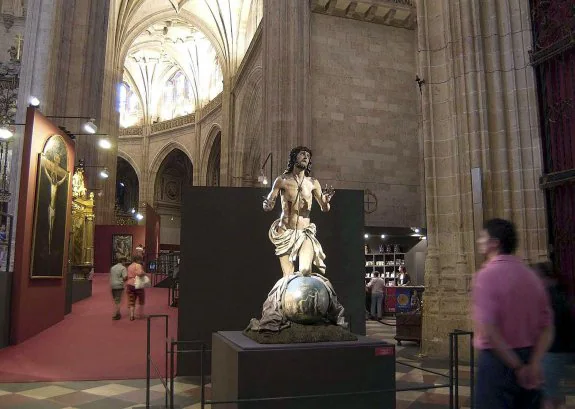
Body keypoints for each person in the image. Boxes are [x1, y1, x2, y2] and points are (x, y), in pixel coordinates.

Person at [248, 146, 346, 331]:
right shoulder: (282, 180)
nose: (306, 158)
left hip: (305, 231)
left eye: (308, 156)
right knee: (287, 277)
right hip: (285, 232)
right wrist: (267, 204)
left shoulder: (313, 183)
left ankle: (313, 307)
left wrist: (325, 201)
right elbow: (269, 203)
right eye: (302, 154)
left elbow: (324, 209)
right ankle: (285, 312)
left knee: (306, 270)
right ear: (294, 158)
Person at [472, 218, 553, 409]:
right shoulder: (531, 275)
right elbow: (547, 327)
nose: (478, 241)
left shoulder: (486, 275)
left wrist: (517, 366)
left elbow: (489, 330)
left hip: (498, 363)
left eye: (482, 237)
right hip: (531, 358)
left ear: (495, 243)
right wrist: (533, 363)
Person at [532, 262, 575, 409]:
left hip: (552, 351)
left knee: (547, 396)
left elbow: (547, 327)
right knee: (553, 393)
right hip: (562, 350)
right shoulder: (561, 292)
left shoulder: (549, 296)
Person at [125, 254, 147, 321]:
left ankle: (132, 315)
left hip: (129, 284)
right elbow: (140, 273)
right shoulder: (138, 265)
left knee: (132, 301)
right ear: (138, 259)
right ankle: (140, 314)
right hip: (138, 284)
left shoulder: (129, 266)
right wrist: (144, 273)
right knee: (141, 300)